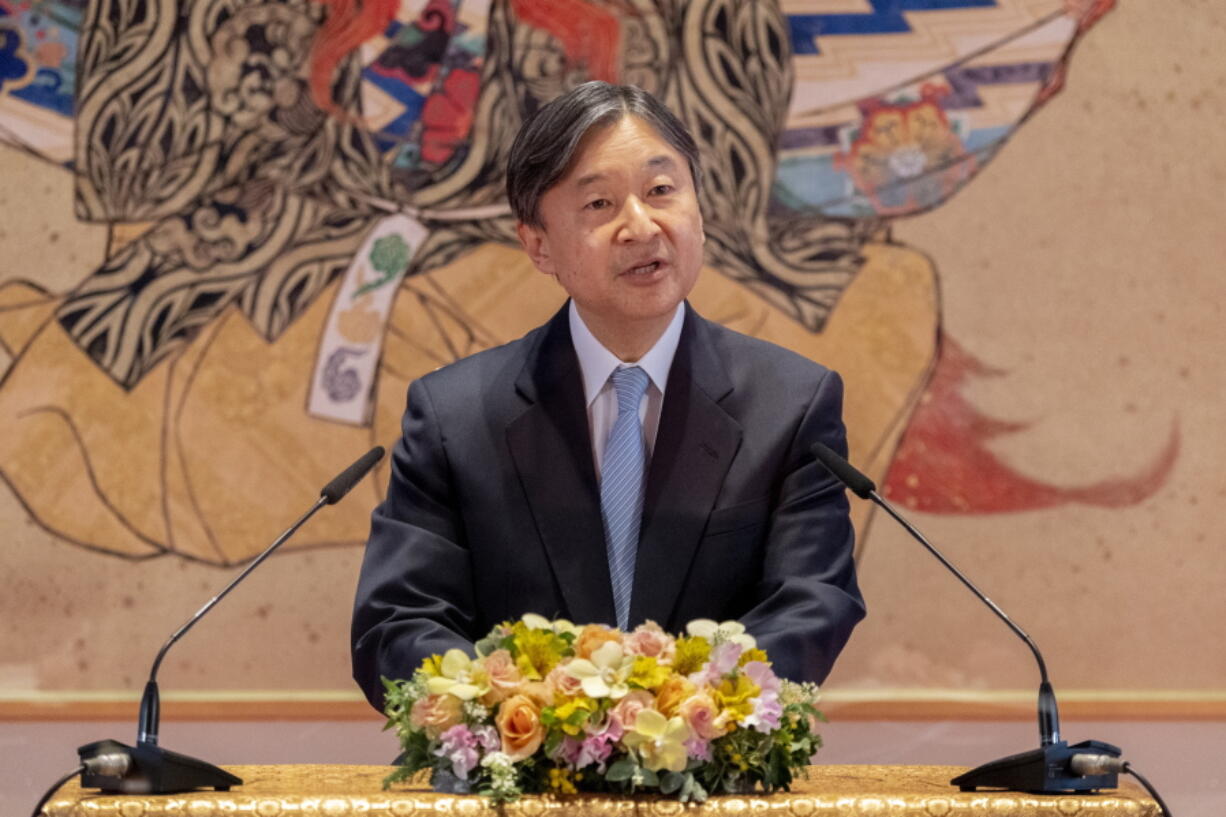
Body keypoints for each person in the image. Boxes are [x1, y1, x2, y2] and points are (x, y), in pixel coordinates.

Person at [351, 82, 864, 710]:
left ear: (699, 211)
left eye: (661, 191)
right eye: (599, 203)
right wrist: (527, 713)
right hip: (522, 793)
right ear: (538, 244)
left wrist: (682, 716)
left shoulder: (790, 404)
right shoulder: (455, 417)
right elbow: (397, 623)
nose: (640, 225)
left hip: (713, 790)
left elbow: (812, 605)